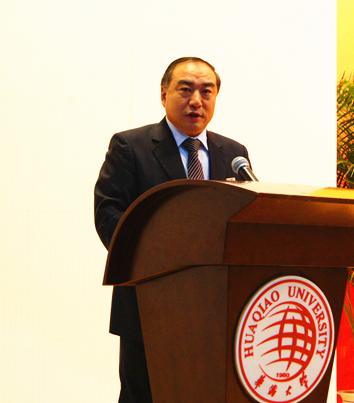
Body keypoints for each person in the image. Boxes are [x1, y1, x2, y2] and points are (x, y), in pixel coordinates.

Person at [94, 57, 251, 403]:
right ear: (164, 95)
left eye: (206, 91)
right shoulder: (131, 147)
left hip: (217, 309)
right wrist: (157, 261)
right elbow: (108, 213)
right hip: (149, 304)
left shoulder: (233, 154)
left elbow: (245, 221)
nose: (196, 100)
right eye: (185, 89)